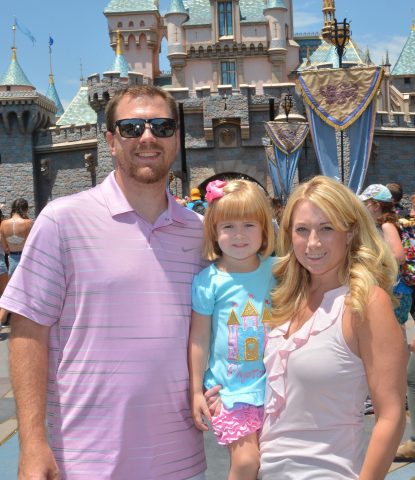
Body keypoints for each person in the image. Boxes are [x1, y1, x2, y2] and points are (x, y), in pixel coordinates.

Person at [0, 85, 208, 479]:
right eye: (131, 127)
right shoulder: (62, 221)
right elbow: (28, 331)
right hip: (85, 461)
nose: (148, 137)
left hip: (180, 460)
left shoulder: (199, 233)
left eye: (162, 127)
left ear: (177, 139)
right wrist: (31, 442)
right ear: (111, 141)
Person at [258, 176, 407, 479]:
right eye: (302, 230)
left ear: (350, 233)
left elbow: (391, 416)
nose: (312, 243)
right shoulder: (285, 300)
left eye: (326, 228)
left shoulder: (364, 303)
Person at [189, 179, 276, 480]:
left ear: (265, 228)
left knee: (272, 464)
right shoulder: (208, 281)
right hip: (229, 392)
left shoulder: (279, 270)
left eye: (249, 225)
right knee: (246, 462)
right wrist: (195, 389)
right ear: (214, 231)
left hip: (276, 389)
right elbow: (199, 338)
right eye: (228, 227)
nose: (239, 235)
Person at [359, 184, 412, 326]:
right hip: (392, 289)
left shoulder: (386, 226)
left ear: (376, 205)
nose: (363, 206)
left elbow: (399, 257)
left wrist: (370, 256)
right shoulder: (379, 225)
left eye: (366, 203)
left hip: (395, 292)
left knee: (389, 335)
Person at [0, 198, 33, 276]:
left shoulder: (3, 224)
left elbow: (5, 249)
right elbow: (33, 245)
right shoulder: (28, 223)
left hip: (12, 260)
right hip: (26, 259)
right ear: (26, 209)